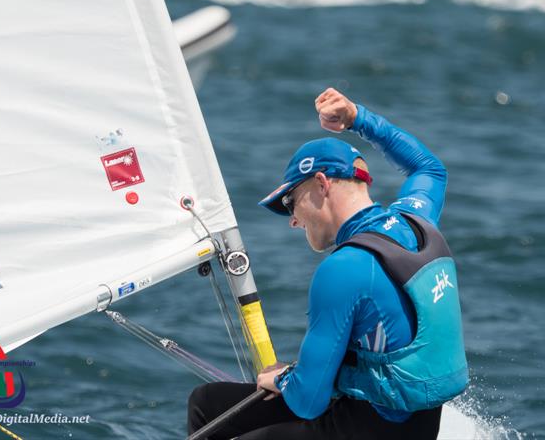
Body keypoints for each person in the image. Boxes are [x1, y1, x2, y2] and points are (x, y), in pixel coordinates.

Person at [188, 88, 468, 440]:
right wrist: (358, 119)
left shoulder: (344, 268)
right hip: (414, 425)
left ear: (321, 184)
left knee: (212, 416)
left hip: (366, 428)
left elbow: (308, 400)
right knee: (209, 402)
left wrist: (284, 377)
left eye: (291, 202)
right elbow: (429, 168)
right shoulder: (417, 221)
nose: (293, 220)